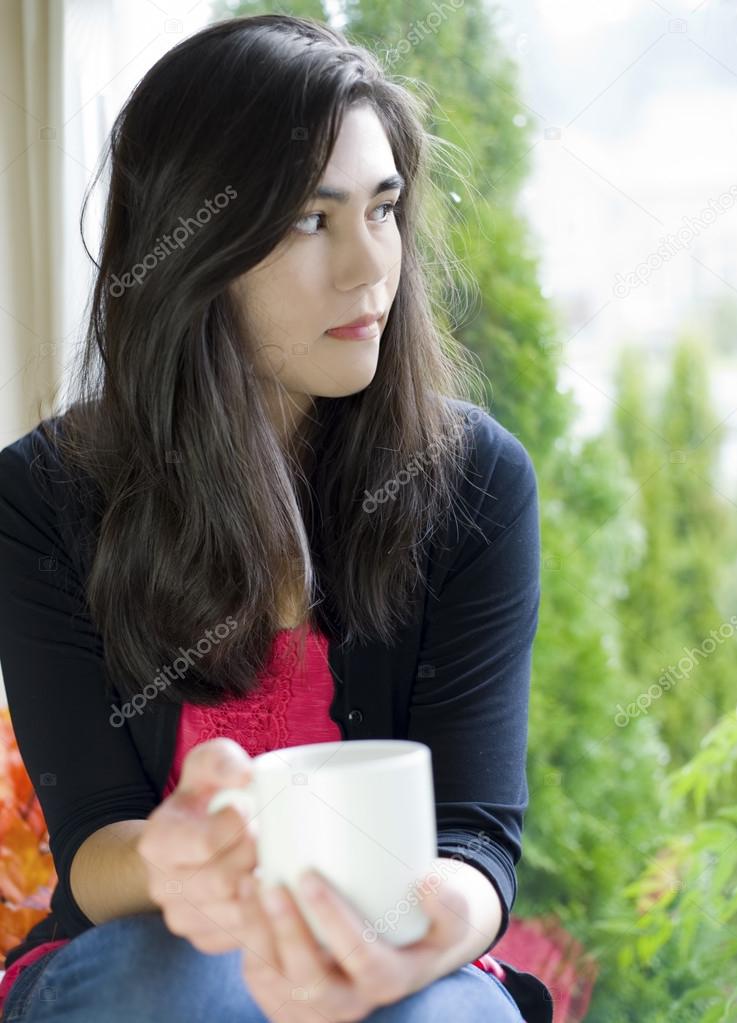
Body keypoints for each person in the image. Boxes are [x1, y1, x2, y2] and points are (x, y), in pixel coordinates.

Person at [0, 13, 552, 1023]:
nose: (368, 269)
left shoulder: (475, 482)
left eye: (382, 209)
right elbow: (92, 845)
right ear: (191, 245)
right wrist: (173, 861)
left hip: (401, 960)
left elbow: (476, 839)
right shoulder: (41, 498)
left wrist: (429, 932)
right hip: (145, 960)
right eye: (311, 220)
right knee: (188, 982)